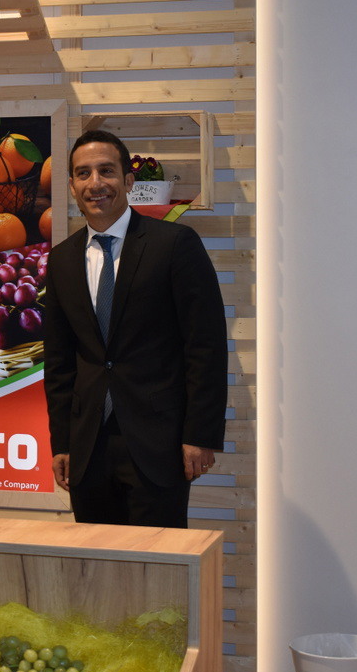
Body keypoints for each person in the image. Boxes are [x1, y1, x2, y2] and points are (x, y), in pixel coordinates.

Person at [42, 129, 227, 527]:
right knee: (97, 562)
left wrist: (200, 434)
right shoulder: (60, 261)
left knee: (161, 561)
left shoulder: (175, 244)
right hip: (88, 447)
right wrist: (63, 442)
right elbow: (59, 363)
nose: (95, 183)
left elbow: (205, 346)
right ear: (72, 186)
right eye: (83, 173)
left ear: (128, 180)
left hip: (160, 444)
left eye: (106, 171)